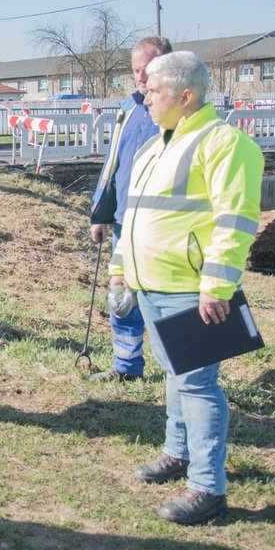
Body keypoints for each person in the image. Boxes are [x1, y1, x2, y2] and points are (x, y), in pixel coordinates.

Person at [108, 51, 263, 525]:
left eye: (153, 91)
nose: (145, 98)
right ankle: (177, 453)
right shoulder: (155, 145)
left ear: (186, 96)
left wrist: (216, 285)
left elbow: (234, 223)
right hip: (151, 284)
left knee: (197, 384)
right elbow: (132, 216)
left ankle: (207, 487)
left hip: (191, 289)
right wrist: (120, 269)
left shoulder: (223, 144)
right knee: (176, 375)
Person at [88, 35, 172, 382]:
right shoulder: (128, 110)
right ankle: (126, 368)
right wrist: (100, 213)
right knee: (122, 300)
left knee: (162, 303)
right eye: (136, 69)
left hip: (162, 227)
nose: (140, 76)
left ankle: (176, 373)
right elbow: (113, 166)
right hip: (125, 224)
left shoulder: (176, 113)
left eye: (147, 68)